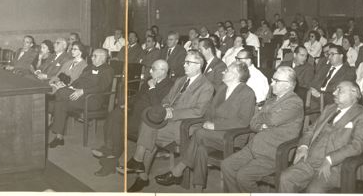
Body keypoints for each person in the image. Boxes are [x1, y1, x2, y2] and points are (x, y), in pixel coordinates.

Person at [154, 62, 256, 188]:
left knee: (198, 133)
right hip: (213, 135)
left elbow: (243, 122)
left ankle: (177, 171)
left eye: (227, 70)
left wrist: (215, 126)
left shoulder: (247, 93)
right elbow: (209, 110)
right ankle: (198, 188)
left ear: (236, 75)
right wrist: (206, 122)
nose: (223, 72)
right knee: (201, 149)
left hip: (232, 136)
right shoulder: (223, 88)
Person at [127, 51, 214, 192]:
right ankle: (140, 169)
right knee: (148, 122)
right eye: (184, 61)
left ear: (198, 66)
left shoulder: (206, 86)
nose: (183, 65)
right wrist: (167, 108)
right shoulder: (180, 80)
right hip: (169, 120)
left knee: (149, 130)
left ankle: (140, 169)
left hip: (185, 125)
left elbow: (198, 111)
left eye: (188, 62)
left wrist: (172, 113)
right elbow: (166, 100)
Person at [221, 66, 304, 193]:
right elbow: (253, 123)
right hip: (254, 147)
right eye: (272, 79)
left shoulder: (295, 103)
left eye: (276, 81)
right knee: (227, 165)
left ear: (288, 85)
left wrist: (263, 116)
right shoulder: (271, 101)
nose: (272, 83)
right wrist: (263, 122)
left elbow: (272, 120)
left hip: (273, 153)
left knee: (243, 177)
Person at [279, 81, 363, 193]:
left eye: (340, 90)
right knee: (285, 178)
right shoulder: (329, 108)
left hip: (336, 166)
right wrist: (303, 146)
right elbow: (310, 130)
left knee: (314, 190)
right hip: (310, 161)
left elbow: (356, 146)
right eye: (335, 90)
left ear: (354, 93)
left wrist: (330, 159)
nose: (334, 93)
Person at [93, 60, 173, 176]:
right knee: (114, 115)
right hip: (134, 113)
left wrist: (152, 88)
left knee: (119, 128)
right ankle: (109, 150)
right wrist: (127, 103)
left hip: (146, 120)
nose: (150, 71)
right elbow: (138, 97)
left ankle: (110, 160)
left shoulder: (169, 85)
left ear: (163, 71)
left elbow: (157, 107)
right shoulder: (148, 81)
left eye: (153, 69)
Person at [48, 48, 114, 148]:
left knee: (59, 95)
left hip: (93, 99)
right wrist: (70, 86)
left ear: (103, 57)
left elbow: (101, 87)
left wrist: (83, 91)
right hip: (78, 96)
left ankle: (51, 123)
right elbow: (79, 80)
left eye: (95, 56)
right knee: (60, 103)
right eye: (92, 55)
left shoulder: (107, 70)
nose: (92, 57)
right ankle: (59, 137)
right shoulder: (88, 68)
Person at [308, 45, 356, 111]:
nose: (329, 57)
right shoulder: (324, 68)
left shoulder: (348, 72)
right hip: (315, 98)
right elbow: (313, 83)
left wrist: (320, 95)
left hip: (332, 102)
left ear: (341, 56)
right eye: (328, 54)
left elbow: (340, 94)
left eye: (332, 54)